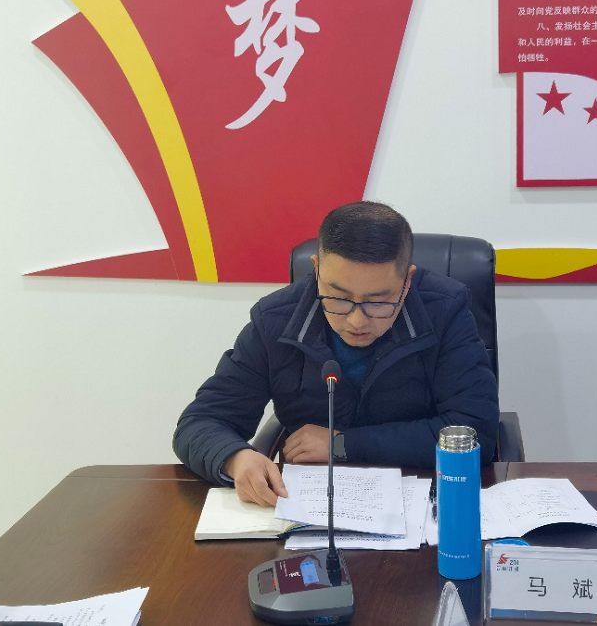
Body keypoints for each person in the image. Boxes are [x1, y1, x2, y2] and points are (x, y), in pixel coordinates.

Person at [173, 201, 499, 506]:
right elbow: (201, 421)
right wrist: (236, 458)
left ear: (407, 281)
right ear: (317, 271)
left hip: (425, 498)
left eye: (378, 301)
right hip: (309, 502)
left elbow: (474, 431)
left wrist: (342, 444)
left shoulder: (444, 310)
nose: (357, 321)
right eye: (339, 298)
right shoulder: (275, 320)